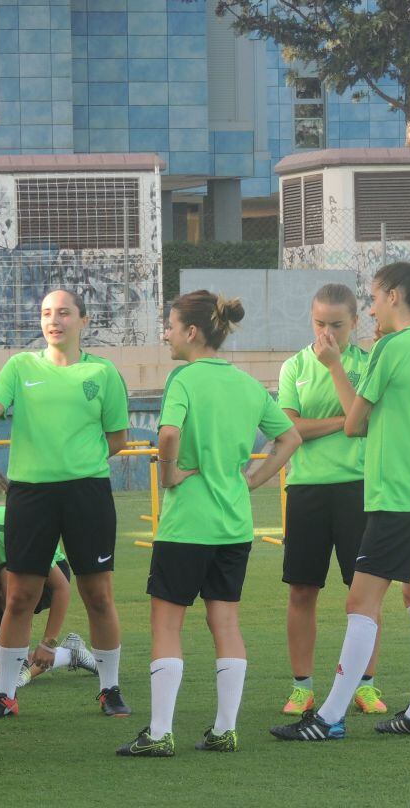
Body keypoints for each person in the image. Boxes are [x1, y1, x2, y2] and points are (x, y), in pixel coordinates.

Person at [271, 261, 410, 742]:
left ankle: (328, 718)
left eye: (373, 299)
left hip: (398, 495)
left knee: (361, 600)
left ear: (394, 297)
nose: (372, 308)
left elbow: (355, 423)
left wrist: (333, 367)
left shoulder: (391, 348)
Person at [117, 290, 301, 757]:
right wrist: (254, 480)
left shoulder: (184, 379)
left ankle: (159, 734)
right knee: (226, 622)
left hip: (186, 526)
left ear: (192, 332)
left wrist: (169, 473)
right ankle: (224, 729)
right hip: (234, 526)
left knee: (166, 624)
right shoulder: (247, 385)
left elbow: (169, 434)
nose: (166, 334)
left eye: (171, 325)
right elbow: (290, 437)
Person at [0, 290, 131, 722]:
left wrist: (79, 461)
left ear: (84, 319)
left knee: (97, 595)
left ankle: (110, 689)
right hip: (30, 494)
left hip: (87, 493)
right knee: (19, 595)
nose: (54, 320)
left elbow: (117, 437)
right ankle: (5, 694)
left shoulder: (102, 372)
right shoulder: (20, 366)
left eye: (64, 312)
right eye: (46, 313)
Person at [276, 284, 387, 717]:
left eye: (337, 325)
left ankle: (366, 684)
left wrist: (340, 417)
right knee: (302, 590)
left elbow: (371, 421)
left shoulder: (368, 363)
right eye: (320, 323)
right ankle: (302, 686)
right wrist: (345, 420)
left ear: (355, 323)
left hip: (360, 488)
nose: (327, 333)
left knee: (364, 594)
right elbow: (291, 431)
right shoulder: (294, 368)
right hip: (306, 490)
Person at [0, 506, 97, 690]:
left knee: (14, 675)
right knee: (1, 671)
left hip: (47, 575)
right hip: (0, 589)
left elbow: (61, 587)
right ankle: (69, 652)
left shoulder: (14, 533)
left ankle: (60, 653)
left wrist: (49, 643)